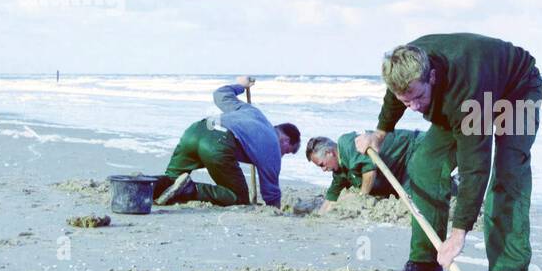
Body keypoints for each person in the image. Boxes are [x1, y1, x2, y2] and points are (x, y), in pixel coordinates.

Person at [355, 33, 542, 271]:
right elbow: (396, 98)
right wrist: (379, 135)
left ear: (431, 77)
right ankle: (425, 263)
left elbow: (474, 168)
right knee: (424, 164)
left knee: (508, 173)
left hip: (516, 90)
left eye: (418, 97)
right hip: (460, 93)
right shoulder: (404, 69)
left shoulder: (466, 95)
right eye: (407, 101)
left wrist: (458, 233)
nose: (415, 107)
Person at [153, 76, 301, 208]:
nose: (281, 156)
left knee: (172, 179)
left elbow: (220, 95)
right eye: (286, 152)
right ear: (286, 141)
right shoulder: (272, 145)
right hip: (217, 142)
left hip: (195, 131)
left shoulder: (252, 112)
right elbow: (271, 192)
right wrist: (276, 210)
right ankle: (191, 189)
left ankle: (139, 184)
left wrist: (241, 85)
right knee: (239, 198)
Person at [306, 129, 422, 212]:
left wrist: (360, 196)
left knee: (419, 205)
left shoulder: (346, 144)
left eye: (322, 164)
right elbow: (332, 198)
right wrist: (320, 216)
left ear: (329, 153)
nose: (323, 169)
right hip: (399, 174)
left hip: (412, 149)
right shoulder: (339, 170)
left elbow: (369, 171)